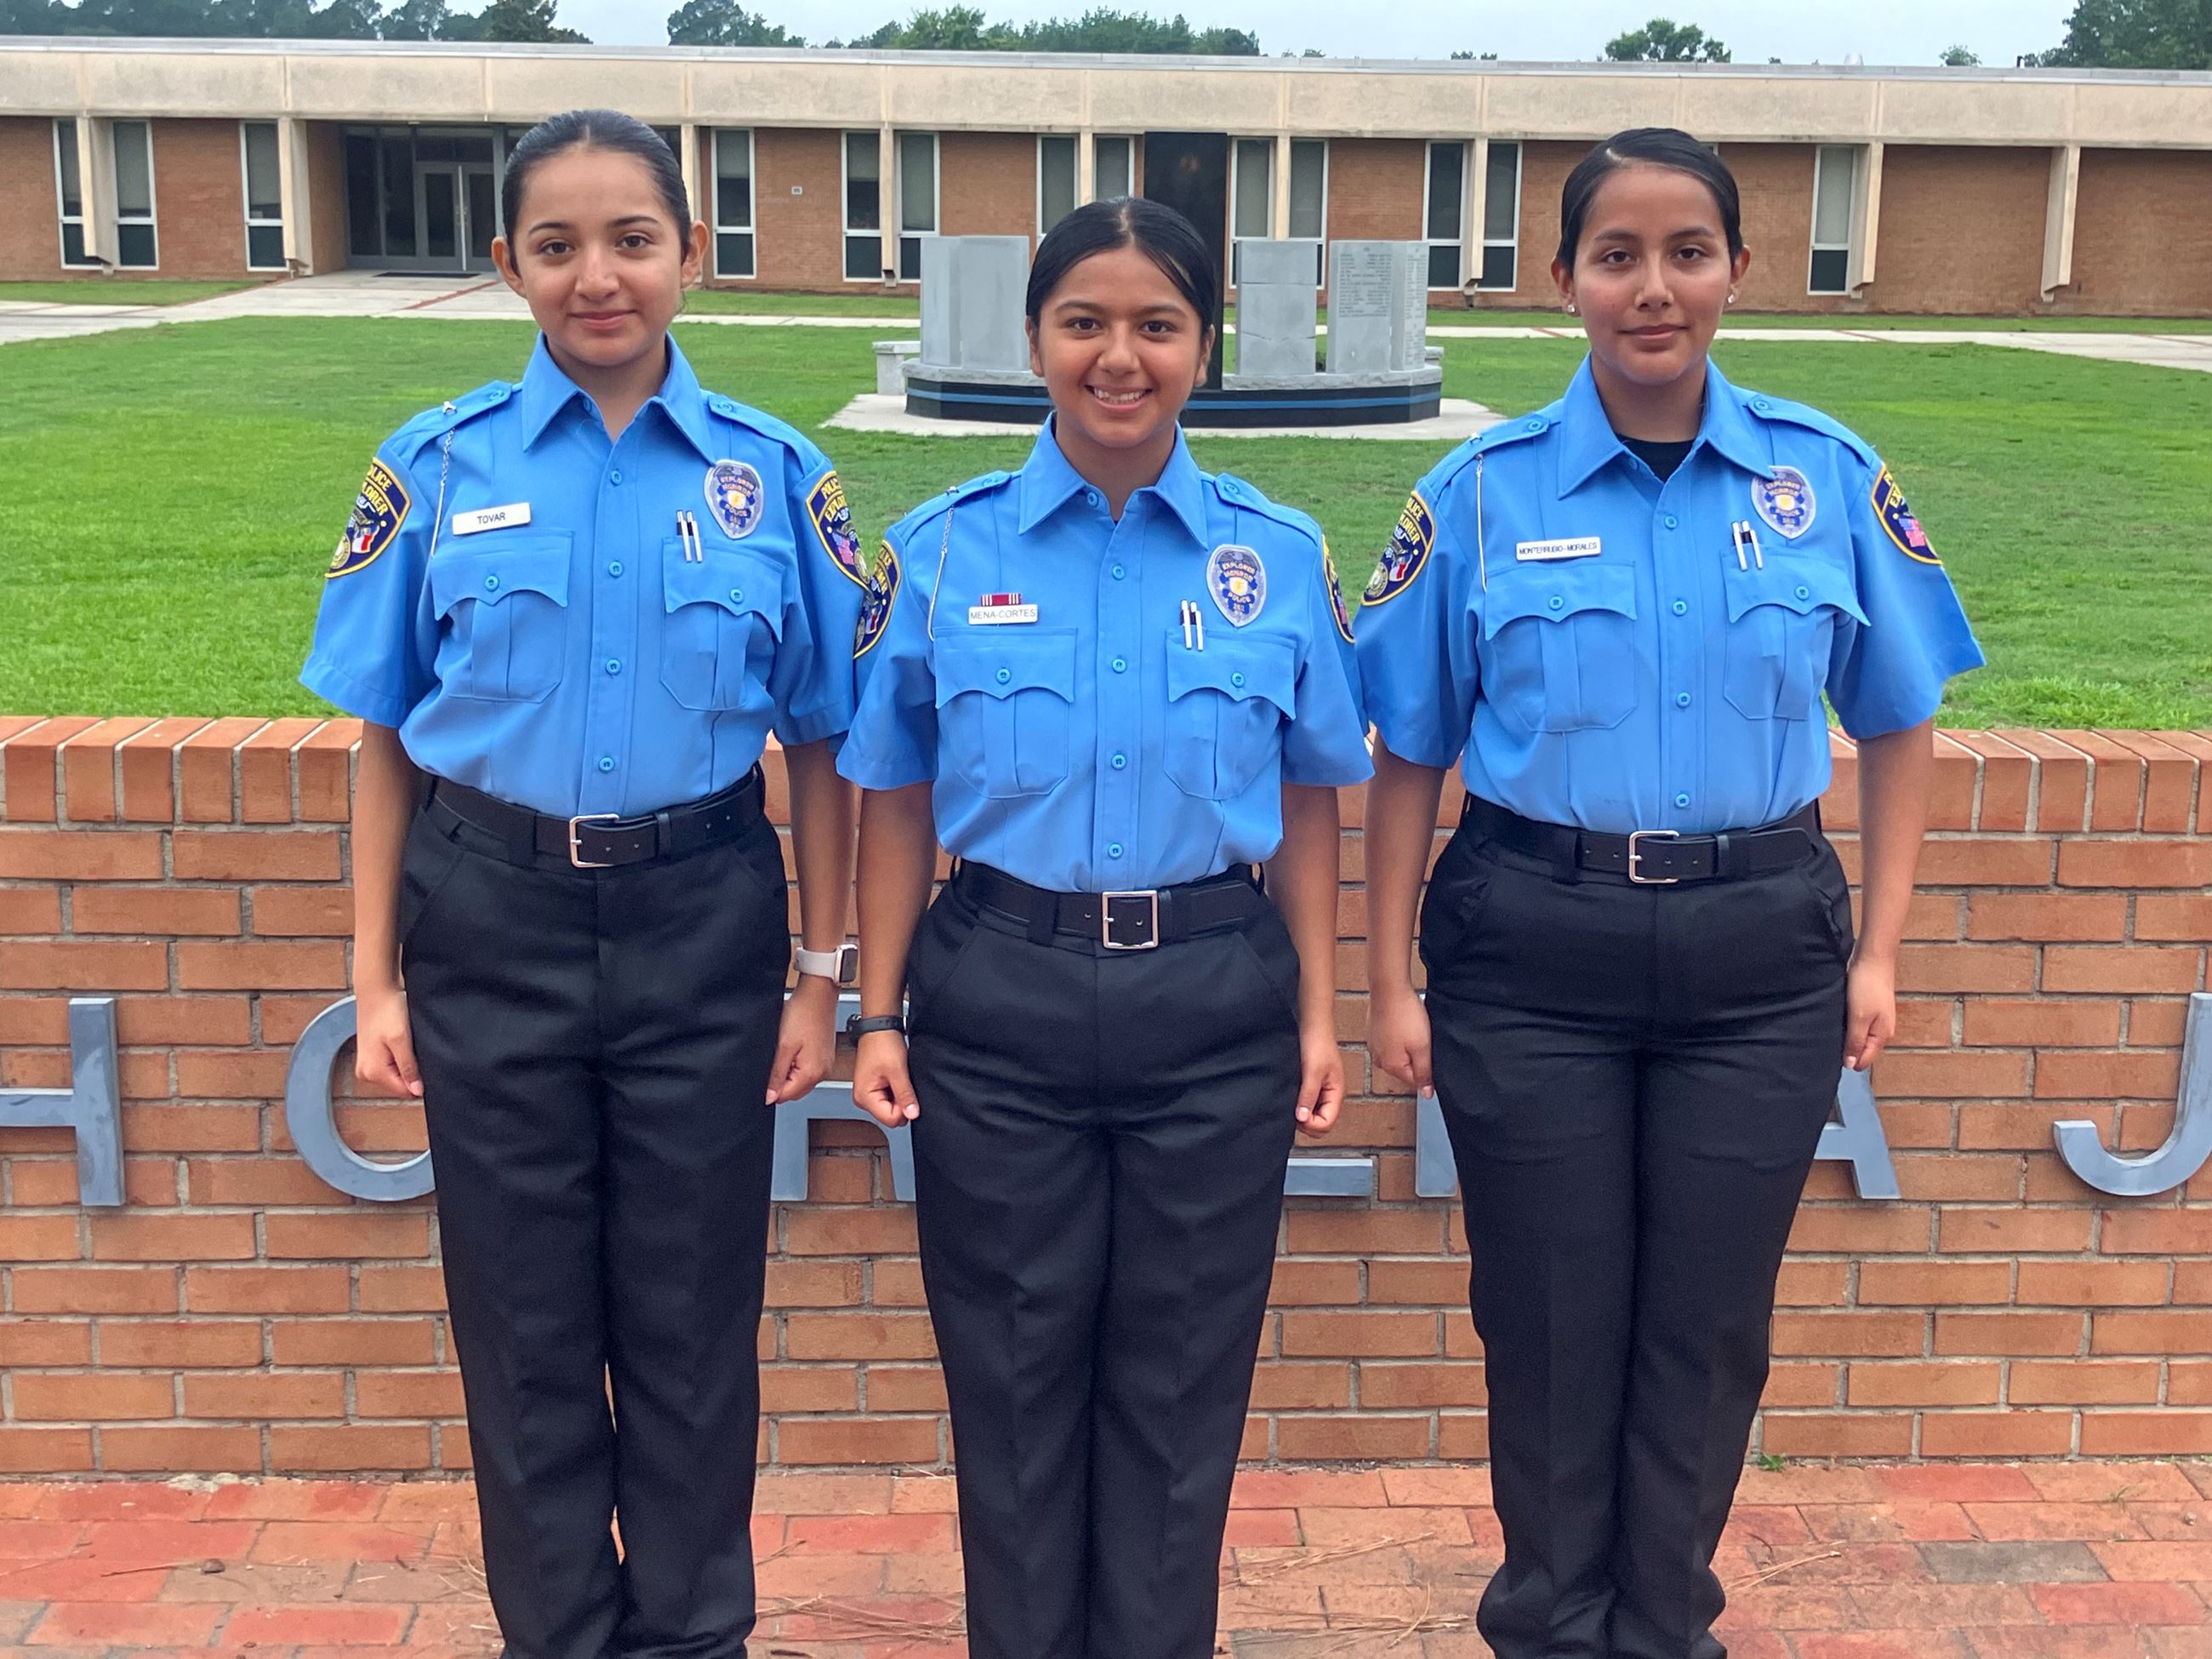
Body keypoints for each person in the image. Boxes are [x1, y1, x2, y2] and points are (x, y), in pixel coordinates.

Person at [1356, 128, 1982, 1659]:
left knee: (1707, 1328)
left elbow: (1901, 722)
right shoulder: (1481, 495)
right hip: (1529, 946)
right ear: (1562, 279)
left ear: (1736, 272)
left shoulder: (1822, 480)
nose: (1655, 288)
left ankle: (1666, 1628)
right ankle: (1551, 1627)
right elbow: (1404, 757)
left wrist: (1880, 950)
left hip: (1761, 955)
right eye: (1618, 256)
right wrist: (1387, 980)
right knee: (1555, 1326)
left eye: (1687, 252)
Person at [300, 110, 862, 1659]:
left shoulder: (776, 478)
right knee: (527, 1334)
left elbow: (822, 744)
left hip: (703, 927)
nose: (596, 275)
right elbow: (382, 739)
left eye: (632, 239)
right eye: (556, 245)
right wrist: (375, 977)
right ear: (508, 266)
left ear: (691, 252)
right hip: (491, 923)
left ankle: (693, 1636)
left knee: (691, 1332)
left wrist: (821, 974)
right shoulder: (433, 468)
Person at [836, 197, 1371, 1659]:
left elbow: (1318, 798)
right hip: (997, 993)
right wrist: (875, 1011)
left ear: (1207, 345)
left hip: (1214, 998)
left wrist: (1320, 1013)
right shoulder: (941, 552)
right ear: (1034, 339)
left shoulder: (1277, 552)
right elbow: (889, 794)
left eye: (1156, 325)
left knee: (1181, 1392)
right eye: (1085, 322)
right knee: (1011, 1392)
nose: (1118, 357)